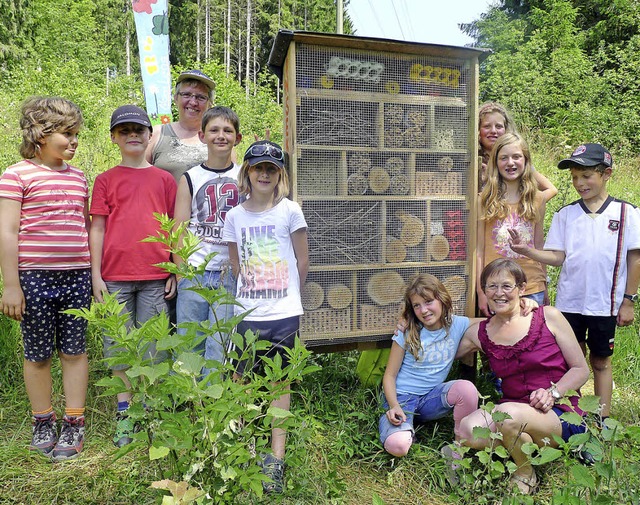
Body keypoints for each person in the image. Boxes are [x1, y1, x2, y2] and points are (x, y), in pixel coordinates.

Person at [509, 143, 640, 422]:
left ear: (607, 174)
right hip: (570, 303)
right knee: (573, 360)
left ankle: (602, 419)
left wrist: (629, 301)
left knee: (601, 361)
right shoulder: (565, 214)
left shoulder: (627, 213)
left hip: (606, 304)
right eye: (574, 177)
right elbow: (557, 257)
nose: (579, 183)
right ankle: (574, 417)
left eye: (587, 176)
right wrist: (528, 250)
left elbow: (635, 260)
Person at [0, 97, 91, 461]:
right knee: (37, 354)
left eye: (76, 135)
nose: (73, 142)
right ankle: (42, 419)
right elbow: (7, 231)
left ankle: (74, 421)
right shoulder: (16, 174)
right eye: (66, 134)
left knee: (74, 350)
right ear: (39, 134)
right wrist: (11, 284)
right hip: (35, 278)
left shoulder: (81, 176)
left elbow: (83, 226)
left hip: (77, 276)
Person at [455, 259, 590, 495]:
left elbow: (581, 369)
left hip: (559, 412)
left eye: (507, 286)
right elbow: (441, 339)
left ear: (522, 288)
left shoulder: (548, 316)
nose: (499, 293)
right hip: (514, 408)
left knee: (507, 416)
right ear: (483, 291)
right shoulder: (479, 332)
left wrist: (553, 392)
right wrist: (407, 325)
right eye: (491, 286)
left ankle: (525, 472)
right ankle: (526, 444)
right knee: (467, 431)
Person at [222, 140, 309, 494]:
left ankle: (275, 458)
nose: (264, 174)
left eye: (271, 169)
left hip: (284, 314)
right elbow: (235, 262)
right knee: (240, 378)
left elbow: (302, 261)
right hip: (247, 313)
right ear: (247, 171)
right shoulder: (234, 216)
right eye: (258, 167)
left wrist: (289, 297)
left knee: (278, 383)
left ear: (280, 175)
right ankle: (243, 447)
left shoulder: (290, 211)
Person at [89, 105, 177, 447]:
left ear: (150, 134)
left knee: (153, 346)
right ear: (114, 138)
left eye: (138, 130)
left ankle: (148, 407)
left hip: (155, 275)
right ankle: (125, 412)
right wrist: (96, 275)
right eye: (124, 131)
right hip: (114, 277)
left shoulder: (164, 179)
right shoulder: (105, 180)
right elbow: (97, 228)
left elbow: (174, 226)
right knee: (119, 346)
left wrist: (173, 267)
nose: (132, 136)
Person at [380, 273, 479, 460]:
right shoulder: (408, 332)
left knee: (466, 389)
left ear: (441, 299)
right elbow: (389, 376)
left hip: (430, 398)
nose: (423, 310)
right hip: (401, 398)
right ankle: (402, 427)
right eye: (417, 305)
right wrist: (394, 405)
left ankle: (459, 449)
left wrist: (524, 307)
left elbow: (490, 323)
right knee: (398, 446)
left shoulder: (456, 324)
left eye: (428, 302)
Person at [173, 106, 242, 365]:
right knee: (190, 344)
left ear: (238, 137)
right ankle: (192, 403)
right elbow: (179, 228)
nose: (221, 136)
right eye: (214, 130)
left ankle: (214, 400)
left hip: (230, 273)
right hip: (195, 272)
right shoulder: (190, 177)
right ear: (202, 136)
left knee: (220, 347)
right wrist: (181, 274)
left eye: (227, 130)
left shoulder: (244, 176)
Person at [476, 132, 548, 317]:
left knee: (531, 341)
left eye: (516, 157)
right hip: (496, 289)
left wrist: (544, 285)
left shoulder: (537, 199)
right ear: (495, 162)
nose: (510, 163)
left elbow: (539, 246)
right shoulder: (484, 200)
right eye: (504, 158)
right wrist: (480, 291)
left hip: (531, 286)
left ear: (526, 160)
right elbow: (479, 250)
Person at [477, 102, 557, 201]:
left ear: (506, 130)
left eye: (498, 126)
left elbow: (551, 189)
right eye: (487, 126)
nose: (493, 131)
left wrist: (531, 206)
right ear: (478, 130)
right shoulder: (473, 161)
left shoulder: (515, 160)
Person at [146, 69, 215, 182]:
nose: (193, 102)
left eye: (201, 97)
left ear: (210, 103)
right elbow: (138, 177)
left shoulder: (219, 138)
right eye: (186, 95)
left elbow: (231, 181)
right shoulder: (156, 134)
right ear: (176, 98)